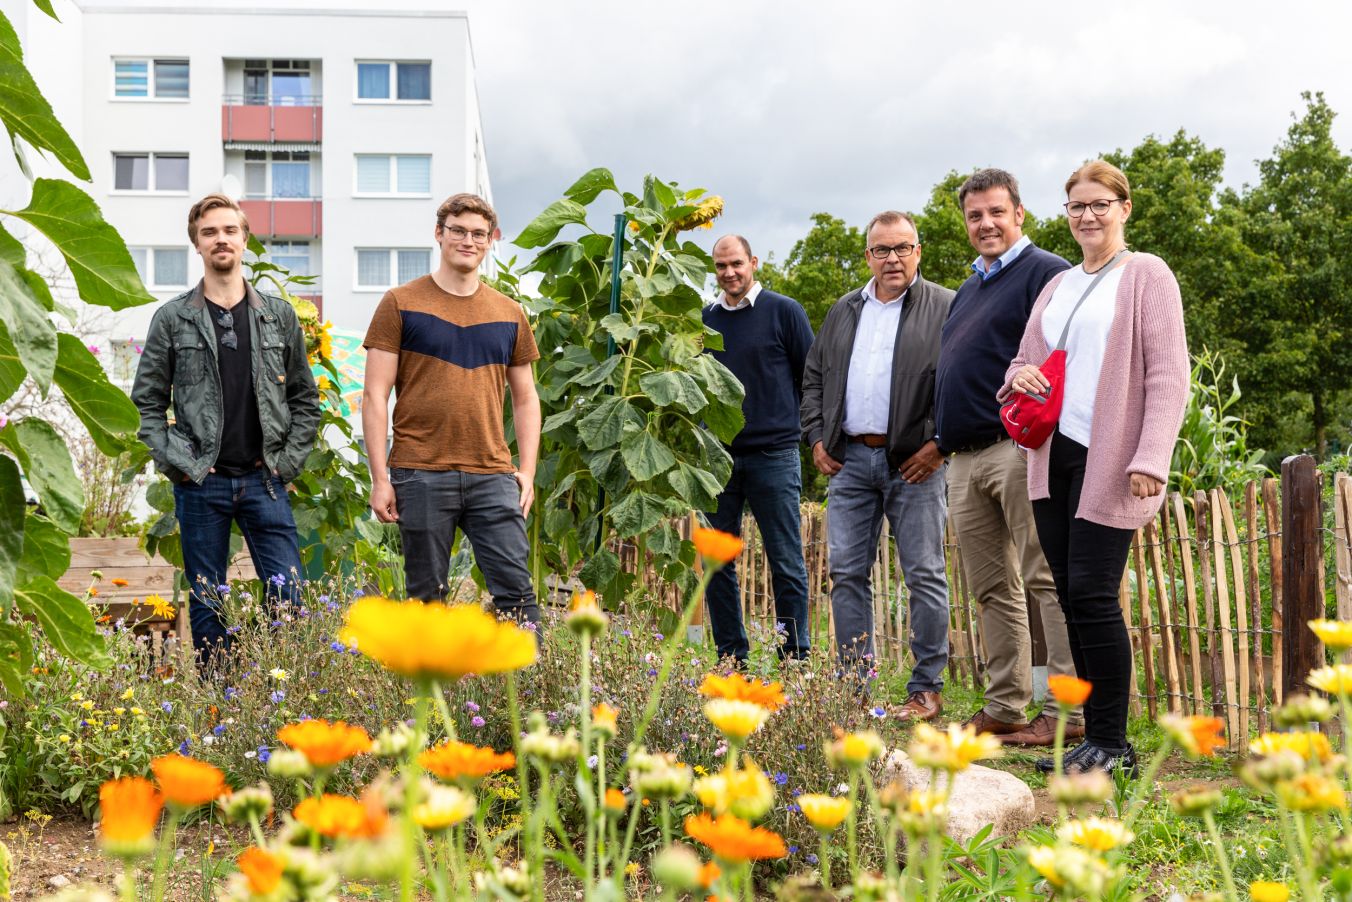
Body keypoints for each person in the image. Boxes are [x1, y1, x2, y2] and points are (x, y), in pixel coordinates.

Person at [1000, 160, 1188, 775]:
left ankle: (1114, 744)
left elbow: (1168, 374)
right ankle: (1094, 738)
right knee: (1071, 596)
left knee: (1092, 593)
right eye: (1077, 206)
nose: (1087, 216)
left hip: (1113, 457)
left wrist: (1151, 457)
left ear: (1123, 208)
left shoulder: (1146, 275)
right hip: (1052, 457)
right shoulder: (1057, 285)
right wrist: (1017, 376)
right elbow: (1025, 361)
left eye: (1099, 204)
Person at [131, 193, 320, 668]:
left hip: (266, 480)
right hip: (202, 482)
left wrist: (289, 462)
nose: (221, 239)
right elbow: (146, 406)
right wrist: (180, 463)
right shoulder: (173, 319)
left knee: (290, 595)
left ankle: (276, 691)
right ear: (196, 242)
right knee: (207, 600)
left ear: (244, 239)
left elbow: (304, 399)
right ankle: (224, 703)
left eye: (229, 230)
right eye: (210, 231)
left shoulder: (278, 316)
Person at [935, 168, 1083, 746]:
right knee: (991, 586)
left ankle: (1068, 710)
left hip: (1018, 446)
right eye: (975, 215)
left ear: (1019, 213)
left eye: (996, 212)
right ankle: (1006, 705)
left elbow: (1065, 353)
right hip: (965, 457)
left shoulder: (1045, 271)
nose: (986, 223)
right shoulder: (969, 288)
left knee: (1044, 576)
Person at [362, 193, 542, 625]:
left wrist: (528, 472)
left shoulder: (510, 312)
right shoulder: (400, 303)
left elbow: (526, 397)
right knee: (427, 600)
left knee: (517, 596)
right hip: (419, 471)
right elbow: (374, 395)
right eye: (458, 231)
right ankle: (425, 693)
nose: (468, 240)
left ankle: (523, 692)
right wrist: (379, 479)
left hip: (492, 473)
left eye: (478, 234)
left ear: (490, 240)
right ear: (439, 234)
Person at [800, 211, 952, 719]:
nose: (892, 258)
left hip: (915, 462)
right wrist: (817, 436)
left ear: (918, 251)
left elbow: (958, 383)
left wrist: (938, 445)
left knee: (924, 573)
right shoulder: (844, 310)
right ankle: (854, 687)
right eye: (881, 250)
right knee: (846, 573)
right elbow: (815, 376)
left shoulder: (946, 307)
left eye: (901, 248)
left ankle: (926, 687)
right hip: (849, 460)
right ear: (867, 256)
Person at [701, 235, 815, 663]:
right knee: (717, 563)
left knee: (786, 561)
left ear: (753, 262)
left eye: (735, 264)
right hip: (717, 459)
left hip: (774, 454)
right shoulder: (705, 321)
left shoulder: (785, 312)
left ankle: (795, 657)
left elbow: (811, 378)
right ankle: (732, 657)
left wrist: (808, 435)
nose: (729, 273)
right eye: (720, 266)